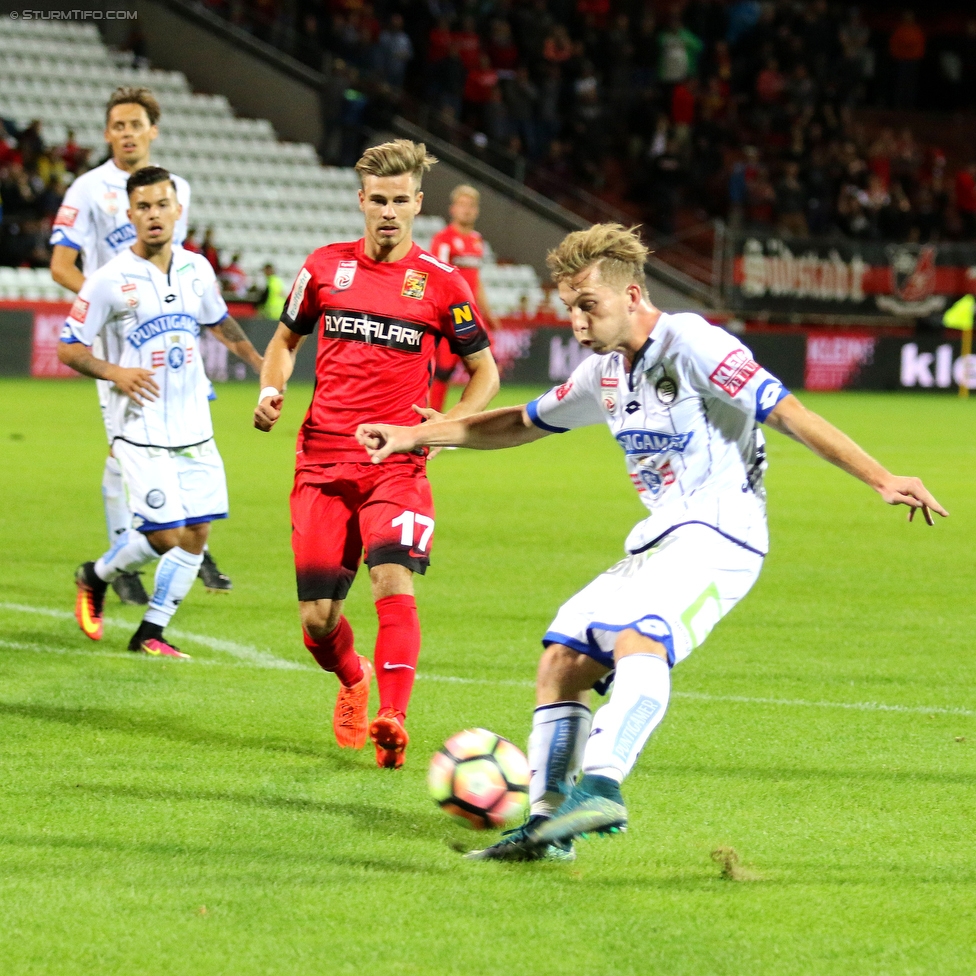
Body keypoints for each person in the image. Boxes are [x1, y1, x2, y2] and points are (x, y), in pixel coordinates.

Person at [356, 223, 948, 860]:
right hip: (661, 541)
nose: (579, 322)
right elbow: (520, 422)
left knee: (641, 634)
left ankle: (604, 782)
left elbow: (788, 412)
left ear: (632, 296)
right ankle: (548, 828)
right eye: (571, 310)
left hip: (724, 534)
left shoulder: (691, 342)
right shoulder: (604, 374)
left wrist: (882, 477)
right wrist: (422, 435)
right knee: (562, 658)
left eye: (591, 307)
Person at [254, 140, 499, 769]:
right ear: (361, 200)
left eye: (401, 200)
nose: (389, 211)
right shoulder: (323, 268)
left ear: (419, 204)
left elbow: (485, 372)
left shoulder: (442, 285)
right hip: (321, 461)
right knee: (317, 618)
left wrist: (446, 426)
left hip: (396, 462)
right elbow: (284, 340)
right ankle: (355, 681)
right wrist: (271, 387)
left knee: (393, 581)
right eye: (379, 200)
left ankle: (393, 718)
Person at [59, 167, 263, 659]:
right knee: (165, 533)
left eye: (162, 205)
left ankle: (151, 632)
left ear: (178, 210)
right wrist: (115, 373)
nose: (154, 215)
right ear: (130, 215)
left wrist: (259, 363)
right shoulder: (109, 280)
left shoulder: (197, 269)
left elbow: (218, 320)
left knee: (197, 531)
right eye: (144, 207)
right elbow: (70, 347)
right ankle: (96, 574)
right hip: (140, 426)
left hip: (195, 423)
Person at [49, 86, 236, 603]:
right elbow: (63, 266)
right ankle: (127, 556)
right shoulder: (86, 190)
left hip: (171, 349)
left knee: (186, 442)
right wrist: (108, 299)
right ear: (107, 133)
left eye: (136, 124)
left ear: (153, 130)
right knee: (122, 453)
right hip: (116, 350)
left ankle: (178, 537)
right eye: (118, 125)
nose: (127, 133)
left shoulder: (176, 187)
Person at [428, 185, 500, 411]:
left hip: (472, 315)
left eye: (471, 206)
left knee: (483, 370)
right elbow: (438, 278)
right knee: (443, 370)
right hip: (452, 314)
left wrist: (487, 313)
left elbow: (475, 281)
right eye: (462, 205)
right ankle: (434, 424)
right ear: (453, 209)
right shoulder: (444, 239)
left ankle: (465, 421)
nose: (467, 210)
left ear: (477, 211)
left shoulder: (477, 241)